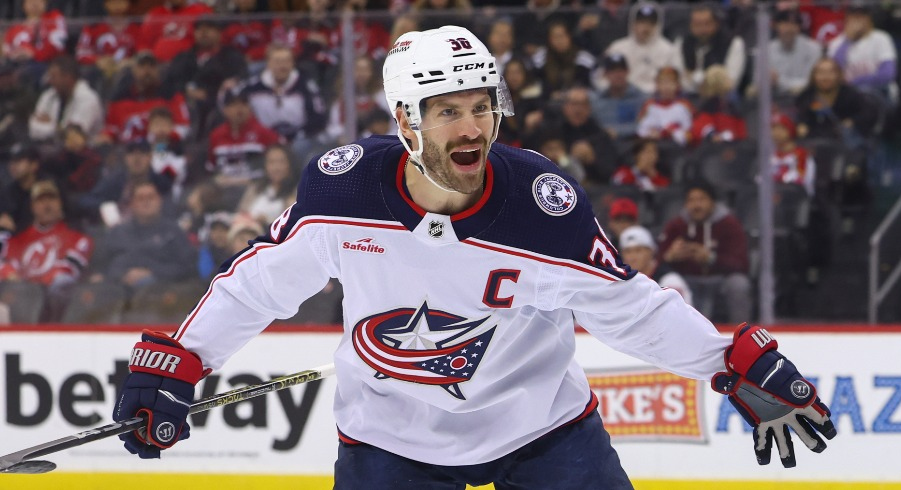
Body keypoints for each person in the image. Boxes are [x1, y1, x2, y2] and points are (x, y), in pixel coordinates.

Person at [111, 26, 835, 488]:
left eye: (482, 105)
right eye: (449, 110)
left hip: (542, 429)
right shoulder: (343, 192)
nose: (474, 125)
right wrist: (183, 358)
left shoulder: (540, 204)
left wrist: (727, 360)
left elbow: (628, 308)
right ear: (405, 121)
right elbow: (257, 286)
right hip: (390, 441)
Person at [659, 180, 751, 324]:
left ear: (712, 202)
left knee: (738, 284)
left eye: (701, 199)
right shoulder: (676, 225)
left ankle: (742, 331)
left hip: (720, 279)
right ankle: (676, 334)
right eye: (691, 200)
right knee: (670, 282)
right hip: (688, 280)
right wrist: (670, 257)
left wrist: (711, 258)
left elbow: (741, 264)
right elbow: (656, 260)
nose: (696, 205)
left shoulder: (729, 224)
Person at [0, 180, 92, 321]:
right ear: (32, 206)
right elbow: (7, 268)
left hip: (56, 308)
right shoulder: (18, 240)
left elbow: (66, 272)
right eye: (41, 200)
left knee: (62, 283)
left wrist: (28, 283)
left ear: (60, 203)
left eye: (51, 199)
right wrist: (11, 275)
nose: (47, 205)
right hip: (19, 305)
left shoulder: (77, 238)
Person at [91, 181, 196, 290]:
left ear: (160, 201)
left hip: (162, 294)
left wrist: (152, 273)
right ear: (132, 204)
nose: (146, 202)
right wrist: (120, 275)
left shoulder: (174, 232)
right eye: (140, 198)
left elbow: (188, 268)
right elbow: (101, 267)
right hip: (116, 294)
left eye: (151, 197)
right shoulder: (117, 233)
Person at [206, 89, 281, 206]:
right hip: (223, 190)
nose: (239, 108)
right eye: (233, 104)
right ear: (225, 110)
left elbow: (279, 166)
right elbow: (212, 169)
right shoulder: (216, 136)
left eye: (243, 104)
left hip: (255, 188)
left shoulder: (265, 134)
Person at [827, 5, 898, 104]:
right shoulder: (837, 43)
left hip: (879, 92)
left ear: (869, 19)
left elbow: (887, 74)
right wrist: (848, 41)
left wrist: (855, 83)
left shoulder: (881, 38)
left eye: (862, 15)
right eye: (854, 15)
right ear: (847, 18)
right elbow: (832, 74)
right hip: (847, 96)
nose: (858, 19)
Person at [604, 3, 679, 95]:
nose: (645, 27)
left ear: (657, 25)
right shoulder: (618, 47)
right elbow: (602, 79)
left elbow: (674, 80)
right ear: (632, 23)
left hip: (655, 97)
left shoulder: (668, 49)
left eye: (651, 23)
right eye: (641, 22)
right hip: (624, 96)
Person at [28, 55, 104, 143]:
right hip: (48, 148)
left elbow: (73, 136)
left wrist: (52, 125)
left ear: (68, 78)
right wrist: (57, 129)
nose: (50, 81)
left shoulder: (88, 99)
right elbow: (33, 129)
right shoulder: (48, 95)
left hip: (82, 152)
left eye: (53, 77)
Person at [675, 5, 746, 94]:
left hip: (720, 95)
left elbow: (731, 81)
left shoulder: (734, 43)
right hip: (687, 95)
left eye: (707, 24)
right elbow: (677, 78)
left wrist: (693, 77)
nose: (702, 29)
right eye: (697, 24)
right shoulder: (681, 43)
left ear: (716, 23)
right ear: (690, 25)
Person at [619, 225, 692, 305]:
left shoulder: (670, 280)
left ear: (651, 252)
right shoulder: (620, 282)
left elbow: (679, 314)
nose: (633, 257)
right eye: (628, 252)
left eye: (638, 251)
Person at [767, 9, 822, 97]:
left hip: (804, 97)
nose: (789, 29)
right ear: (776, 26)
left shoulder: (813, 49)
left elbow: (810, 82)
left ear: (799, 27)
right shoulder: (766, 50)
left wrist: (780, 82)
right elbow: (761, 81)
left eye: (794, 24)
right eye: (785, 24)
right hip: (775, 97)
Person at [591, 53, 646, 139]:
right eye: (612, 71)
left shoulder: (641, 98)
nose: (617, 75)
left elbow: (645, 126)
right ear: (605, 74)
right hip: (604, 144)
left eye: (621, 70)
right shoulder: (597, 99)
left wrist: (618, 131)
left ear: (628, 72)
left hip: (633, 143)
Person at [637, 66, 693, 146]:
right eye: (663, 83)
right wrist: (650, 134)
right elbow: (641, 130)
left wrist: (674, 132)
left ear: (677, 85)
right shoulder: (649, 106)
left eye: (670, 82)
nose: (667, 87)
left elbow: (690, 133)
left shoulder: (684, 106)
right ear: (657, 85)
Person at [770, 112, 815, 197]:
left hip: (796, 200)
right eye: (773, 128)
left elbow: (799, 180)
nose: (776, 133)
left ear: (790, 130)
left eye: (781, 128)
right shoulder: (771, 156)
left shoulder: (802, 155)